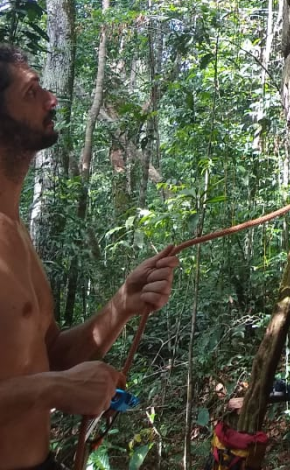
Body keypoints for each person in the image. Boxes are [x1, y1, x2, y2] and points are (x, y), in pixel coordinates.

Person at [0, 44, 179, 470]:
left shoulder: (15, 231)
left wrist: (122, 304)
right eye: (32, 93)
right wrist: (50, 390)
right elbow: (48, 381)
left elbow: (52, 357)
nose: (51, 100)